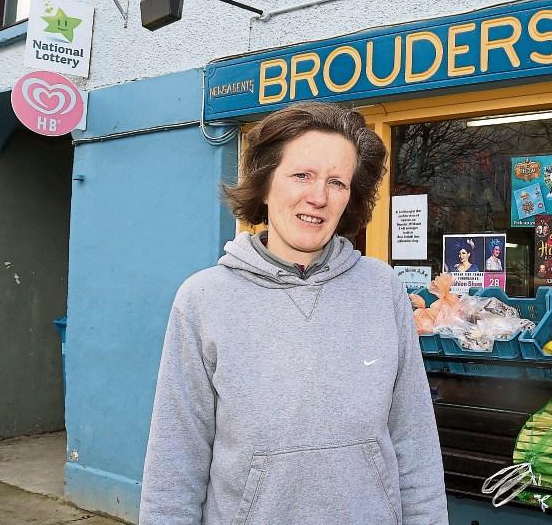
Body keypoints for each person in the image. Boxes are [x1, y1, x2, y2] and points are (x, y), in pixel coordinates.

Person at [139, 102, 448, 525]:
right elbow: (175, 462)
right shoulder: (204, 299)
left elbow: (415, 443)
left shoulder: (382, 290)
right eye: (302, 175)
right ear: (265, 184)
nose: (318, 197)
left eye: (337, 182)